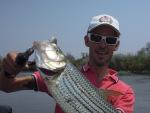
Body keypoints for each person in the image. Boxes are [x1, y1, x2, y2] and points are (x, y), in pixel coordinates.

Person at [0, 14, 135, 113]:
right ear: (86, 40)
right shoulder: (57, 76)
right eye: (96, 37)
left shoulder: (125, 92)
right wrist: (9, 71)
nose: (102, 45)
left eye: (110, 40)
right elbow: (6, 86)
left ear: (116, 45)